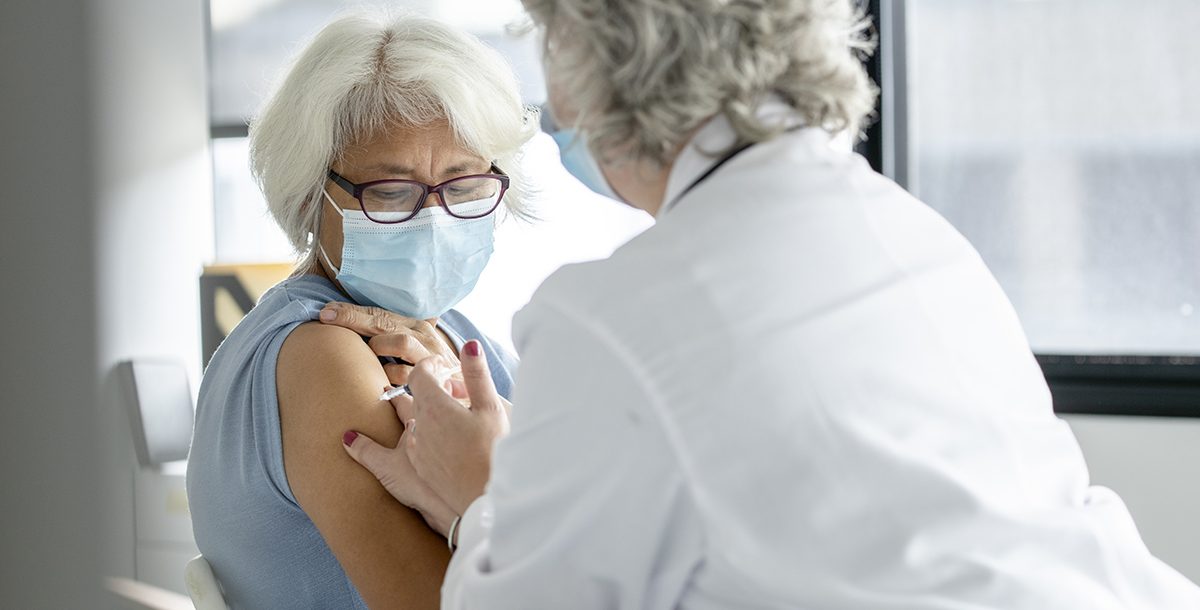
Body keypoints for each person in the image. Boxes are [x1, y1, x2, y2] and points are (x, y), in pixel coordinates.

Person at [331, 0, 1200, 608]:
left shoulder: (613, 316)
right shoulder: (914, 234)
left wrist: (486, 493)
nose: (551, 117)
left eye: (554, 57)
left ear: (616, 69)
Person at [186, 12, 534, 608]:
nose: (434, 218)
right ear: (308, 192)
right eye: (391, 193)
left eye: (463, 185)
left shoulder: (452, 337)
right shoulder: (325, 353)